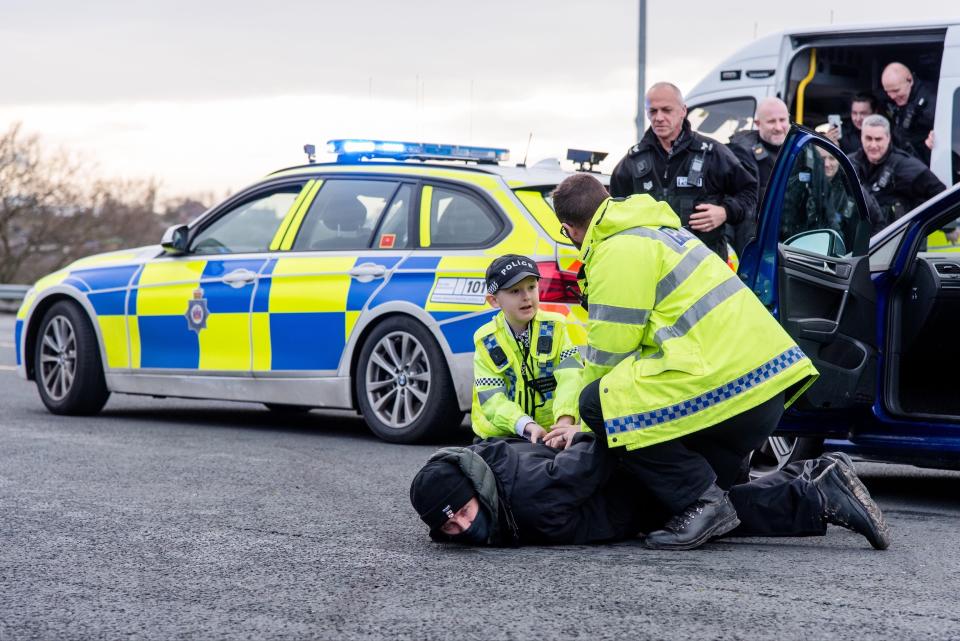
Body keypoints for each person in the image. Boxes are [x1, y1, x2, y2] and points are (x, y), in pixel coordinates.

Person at [547, 173, 819, 550]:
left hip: (723, 390)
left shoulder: (617, 250)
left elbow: (608, 359)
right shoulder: (658, 230)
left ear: (568, 229)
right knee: (671, 506)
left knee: (597, 402)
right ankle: (821, 490)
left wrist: (579, 425)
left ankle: (703, 500)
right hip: (760, 390)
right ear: (608, 197)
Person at [409, 433, 890, 550]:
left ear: (473, 489)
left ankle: (819, 493)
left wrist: (580, 434)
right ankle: (814, 481)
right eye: (450, 526)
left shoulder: (531, 495)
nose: (464, 528)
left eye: (463, 512)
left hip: (636, 486)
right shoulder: (487, 466)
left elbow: (594, 454)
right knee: (719, 507)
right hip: (637, 481)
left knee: (715, 513)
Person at [609, 82, 758, 260]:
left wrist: (725, 212)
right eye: (653, 111)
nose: (659, 117)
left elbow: (749, 192)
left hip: (704, 265)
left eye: (666, 110)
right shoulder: (633, 160)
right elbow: (615, 210)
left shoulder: (712, 153)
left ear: (683, 111)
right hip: (651, 264)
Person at [471, 254, 583, 442]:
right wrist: (525, 425)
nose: (527, 297)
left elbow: (571, 376)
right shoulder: (487, 340)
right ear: (494, 301)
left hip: (552, 431)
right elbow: (492, 400)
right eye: (515, 291)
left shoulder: (556, 327)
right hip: (504, 434)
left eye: (532, 287)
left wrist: (564, 421)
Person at [849, 114, 946, 226]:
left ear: (888, 138)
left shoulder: (906, 166)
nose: (873, 145)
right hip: (860, 237)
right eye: (868, 138)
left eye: (878, 139)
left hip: (896, 238)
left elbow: (940, 193)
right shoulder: (850, 163)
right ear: (861, 137)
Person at [727, 97, 790, 254]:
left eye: (782, 120)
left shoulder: (801, 153)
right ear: (757, 124)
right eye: (771, 121)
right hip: (759, 249)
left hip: (793, 247)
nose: (778, 127)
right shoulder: (740, 157)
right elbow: (737, 211)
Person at [880, 62, 936, 165]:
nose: (892, 96)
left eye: (896, 90)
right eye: (888, 92)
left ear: (910, 80)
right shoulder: (899, 100)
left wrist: (936, 139)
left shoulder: (932, 101)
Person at [824, 92, 879, 158]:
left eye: (863, 113)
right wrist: (827, 143)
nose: (858, 118)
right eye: (854, 113)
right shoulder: (841, 133)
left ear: (874, 113)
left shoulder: (886, 132)